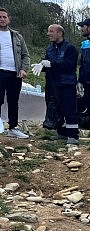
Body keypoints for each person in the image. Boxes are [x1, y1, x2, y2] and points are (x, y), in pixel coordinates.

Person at [32, 24, 79, 145]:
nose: (48, 34)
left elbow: (69, 65)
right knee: (56, 108)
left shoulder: (70, 48)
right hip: (53, 84)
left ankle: (73, 136)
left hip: (67, 83)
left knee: (69, 109)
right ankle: (61, 133)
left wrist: (51, 64)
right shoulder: (50, 49)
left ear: (59, 33)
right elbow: (48, 63)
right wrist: (41, 66)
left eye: (51, 31)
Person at [0, 7, 30, 139]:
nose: (1, 19)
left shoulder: (17, 36)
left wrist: (23, 69)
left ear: (9, 19)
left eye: (4, 17)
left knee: (13, 101)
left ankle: (13, 128)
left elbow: (26, 55)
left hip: (15, 73)